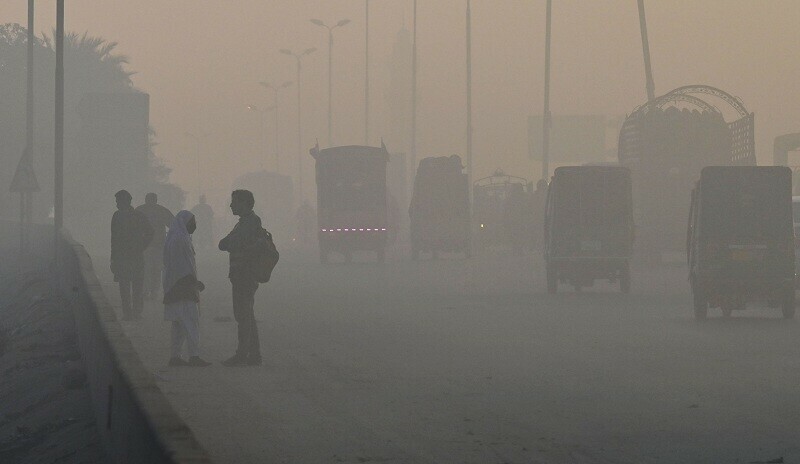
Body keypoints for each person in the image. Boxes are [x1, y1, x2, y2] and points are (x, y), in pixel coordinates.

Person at [219, 190, 263, 366]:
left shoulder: (250, 223)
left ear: (245, 203)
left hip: (245, 274)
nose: (231, 205)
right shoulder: (245, 222)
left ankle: (242, 355)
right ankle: (254, 355)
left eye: (234, 202)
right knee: (248, 315)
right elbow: (224, 244)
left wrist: (231, 243)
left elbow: (229, 243)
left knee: (243, 316)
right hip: (242, 274)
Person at [163, 210, 211, 367]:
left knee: (179, 323)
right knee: (191, 321)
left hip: (175, 286)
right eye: (192, 222)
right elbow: (182, 266)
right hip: (183, 286)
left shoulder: (176, 238)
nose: (195, 225)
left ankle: (175, 356)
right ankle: (194, 356)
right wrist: (193, 283)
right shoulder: (181, 239)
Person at [111, 190, 153, 320]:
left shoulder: (121, 216)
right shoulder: (135, 216)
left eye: (118, 201)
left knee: (130, 286)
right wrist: (142, 246)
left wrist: (141, 246)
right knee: (134, 286)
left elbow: (150, 232)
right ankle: (134, 313)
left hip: (126, 257)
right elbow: (150, 232)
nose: (117, 204)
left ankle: (130, 313)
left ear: (126, 202)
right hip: (132, 256)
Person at [136, 193, 174, 301]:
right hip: (158, 245)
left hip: (144, 246)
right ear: (156, 200)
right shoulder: (162, 210)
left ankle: (145, 291)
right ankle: (154, 291)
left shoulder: (139, 210)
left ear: (145, 199)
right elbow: (173, 224)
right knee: (156, 269)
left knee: (145, 268)